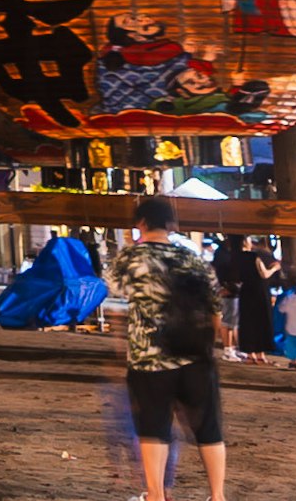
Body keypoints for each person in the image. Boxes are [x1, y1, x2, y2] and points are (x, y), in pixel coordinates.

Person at [104, 196, 230, 501]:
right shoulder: (194, 258)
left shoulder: (130, 258)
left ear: (142, 223)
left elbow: (111, 293)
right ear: (171, 225)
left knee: (154, 429)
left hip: (149, 360)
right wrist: (204, 345)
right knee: (208, 430)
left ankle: (156, 495)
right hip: (196, 358)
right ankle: (217, 495)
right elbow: (216, 309)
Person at [210, 235, 276, 361]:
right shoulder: (253, 257)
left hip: (245, 292)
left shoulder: (235, 258)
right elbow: (264, 274)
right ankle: (260, 354)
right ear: (245, 242)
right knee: (260, 322)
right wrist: (274, 268)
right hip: (259, 292)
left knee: (247, 322)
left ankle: (250, 354)